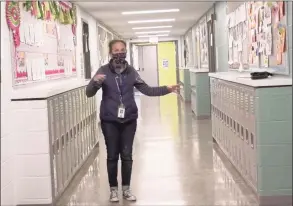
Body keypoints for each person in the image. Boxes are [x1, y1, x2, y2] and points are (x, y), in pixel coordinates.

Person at [86, 39, 179, 202]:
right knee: (112, 155)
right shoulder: (103, 71)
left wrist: (167, 89)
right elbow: (89, 93)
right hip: (109, 120)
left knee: (127, 155)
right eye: (116, 50)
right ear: (110, 52)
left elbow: (148, 90)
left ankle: (126, 189)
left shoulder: (132, 72)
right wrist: (94, 83)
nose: (119, 53)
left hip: (129, 119)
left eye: (122, 50)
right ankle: (113, 190)